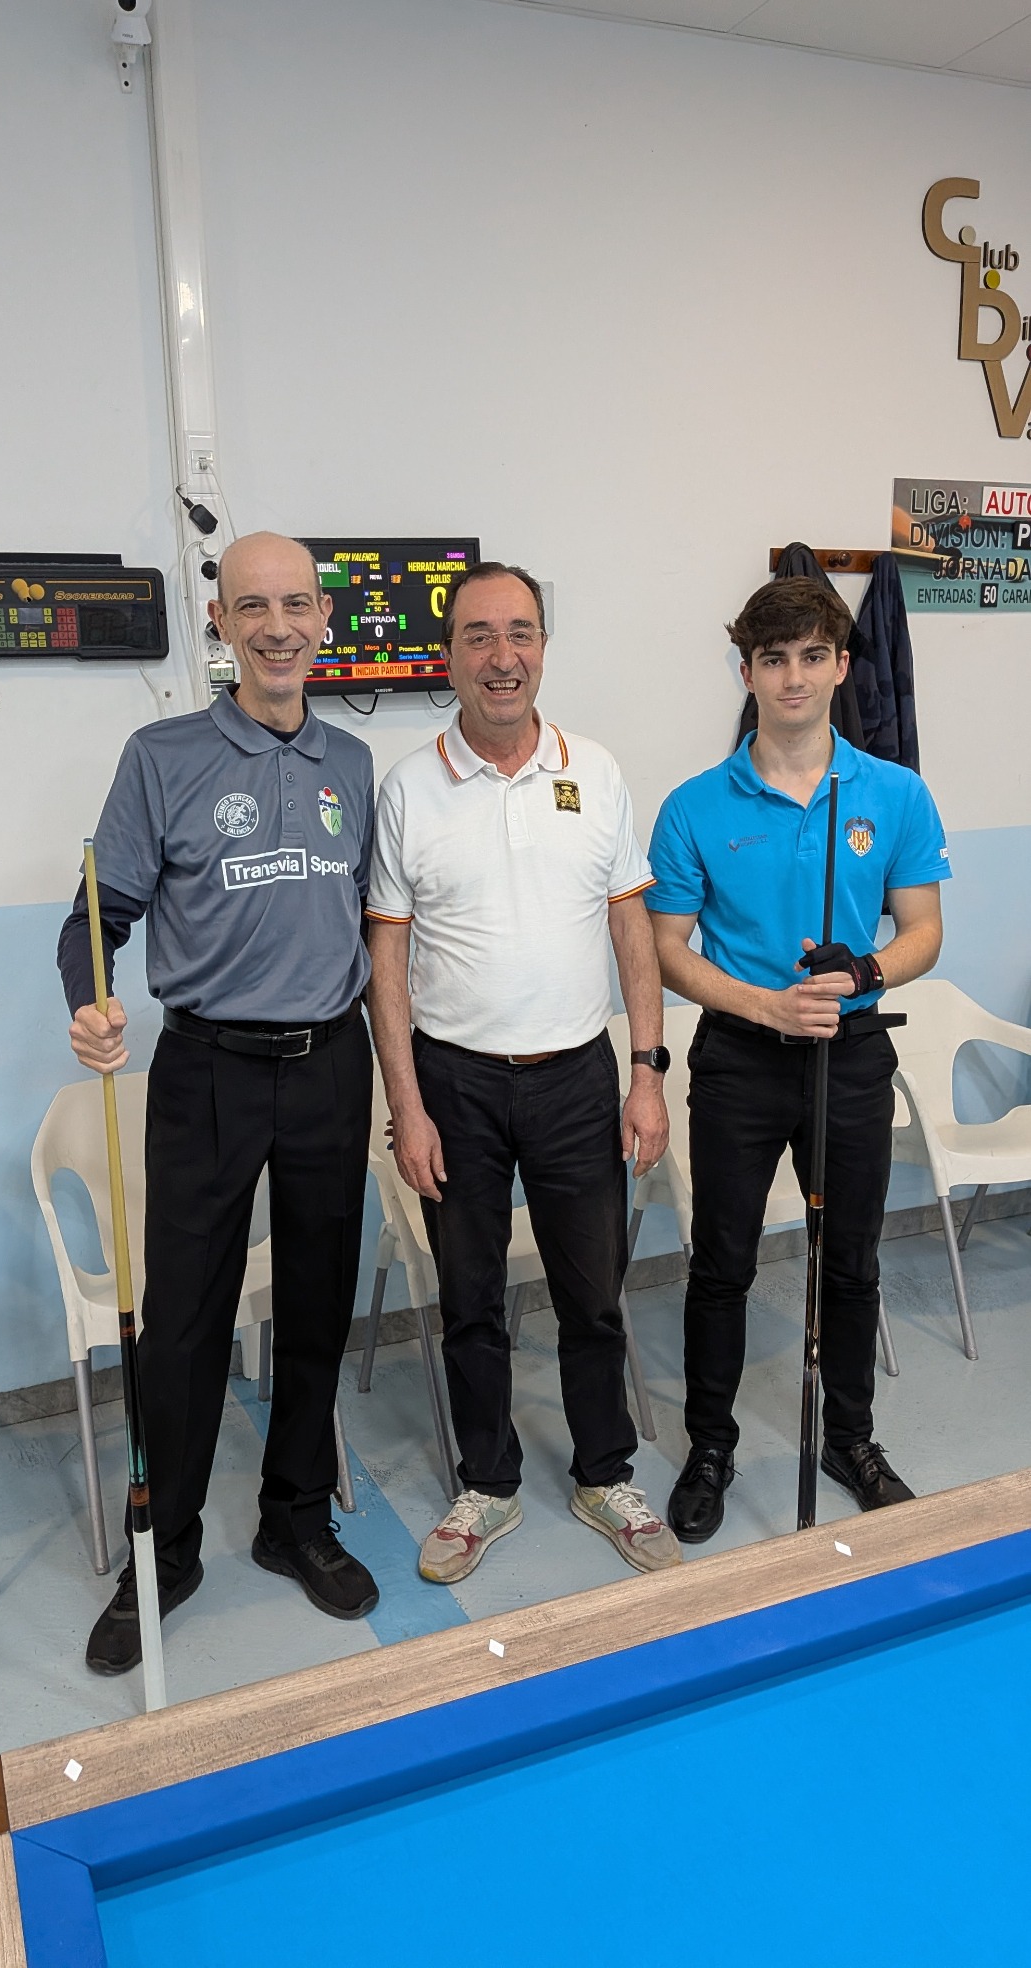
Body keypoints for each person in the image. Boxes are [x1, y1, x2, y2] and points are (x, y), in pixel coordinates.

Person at [57, 533, 378, 1673]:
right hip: (207, 1070)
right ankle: (166, 1547)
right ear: (222, 625)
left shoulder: (353, 762)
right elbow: (95, 917)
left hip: (332, 1061)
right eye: (253, 607)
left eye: (296, 604)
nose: (277, 627)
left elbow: (368, 921)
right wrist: (91, 999)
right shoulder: (162, 756)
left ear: (323, 620)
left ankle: (296, 1516)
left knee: (319, 1301)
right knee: (185, 1321)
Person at [366, 560, 680, 1583]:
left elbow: (631, 926)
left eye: (520, 633)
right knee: (470, 1300)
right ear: (448, 655)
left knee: (593, 1296)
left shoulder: (597, 770)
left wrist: (645, 1071)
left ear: (543, 646)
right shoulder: (408, 789)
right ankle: (488, 1484)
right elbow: (385, 959)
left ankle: (603, 1474)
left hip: (577, 1078)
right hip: (454, 1084)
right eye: (479, 636)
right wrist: (406, 1104)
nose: (502, 656)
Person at [647, 576, 949, 1544]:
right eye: (772, 658)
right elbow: (667, 949)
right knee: (721, 1265)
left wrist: (864, 969)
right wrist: (765, 1003)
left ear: (842, 666)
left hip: (848, 1054)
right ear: (745, 671)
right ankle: (710, 1446)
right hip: (739, 1058)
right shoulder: (693, 805)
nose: (793, 677)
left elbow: (923, 930)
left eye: (813, 656)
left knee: (850, 1262)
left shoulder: (892, 792)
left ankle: (849, 1439)